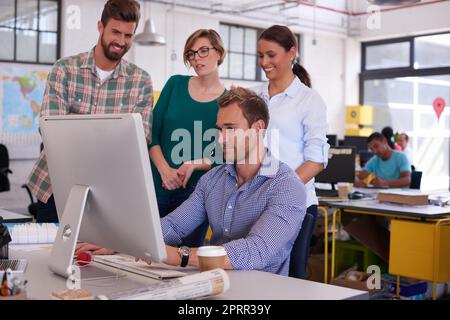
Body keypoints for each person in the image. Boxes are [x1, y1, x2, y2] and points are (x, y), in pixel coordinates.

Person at [77, 87, 307, 276]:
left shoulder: (286, 187)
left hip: (262, 292)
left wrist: (181, 256)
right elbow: (174, 225)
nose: (220, 139)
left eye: (230, 129)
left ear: (258, 128)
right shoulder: (213, 180)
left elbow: (257, 251)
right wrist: (122, 243)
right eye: (219, 130)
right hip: (216, 282)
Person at [26, 0, 153, 223]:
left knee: (96, 257)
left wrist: (76, 122)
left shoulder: (140, 81)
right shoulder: (65, 69)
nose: (121, 41)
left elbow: (138, 140)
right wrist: (113, 130)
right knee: (48, 252)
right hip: (56, 186)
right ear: (100, 27)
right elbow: (51, 130)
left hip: (109, 192)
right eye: (115, 32)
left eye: (128, 35)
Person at [149, 29, 226, 247]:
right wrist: (165, 170)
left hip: (195, 194)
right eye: (192, 54)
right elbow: (151, 134)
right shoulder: (175, 85)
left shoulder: (227, 100)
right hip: (157, 185)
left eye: (204, 51)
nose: (197, 59)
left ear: (219, 53)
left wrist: (194, 164)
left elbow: (222, 154)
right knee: (145, 253)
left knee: (185, 262)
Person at [253, 25, 329, 233]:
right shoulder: (253, 97)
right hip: (252, 203)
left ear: (291, 52)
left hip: (294, 204)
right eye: (260, 56)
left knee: (292, 267)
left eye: (271, 55)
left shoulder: (309, 100)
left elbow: (317, 160)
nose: (264, 62)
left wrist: (278, 191)